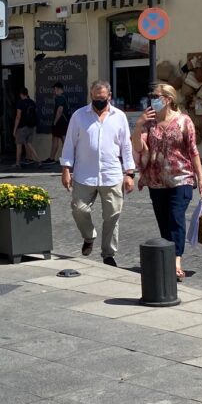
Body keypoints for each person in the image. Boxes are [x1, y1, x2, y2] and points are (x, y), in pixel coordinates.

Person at [133, 83, 202, 281]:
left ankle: (176, 262)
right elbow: (138, 147)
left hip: (181, 178)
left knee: (176, 218)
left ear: (168, 99)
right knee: (164, 222)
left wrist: (201, 179)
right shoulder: (149, 123)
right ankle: (167, 257)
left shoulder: (184, 121)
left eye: (155, 95)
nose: (152, 99)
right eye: (151, 95)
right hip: (156, 181)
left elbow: (193, 151)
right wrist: (139, 125)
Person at [60, 80, 135, 267]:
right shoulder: (79, 116)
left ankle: (108, 254)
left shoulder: (119, 117)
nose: (98, 101)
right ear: (90, 96)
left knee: (112, 216)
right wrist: (66, 169)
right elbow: (69, 144)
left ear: (109, 96)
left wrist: (130, 173)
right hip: (84, 174)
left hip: (111, 174)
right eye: (94, 98)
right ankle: (89, 235)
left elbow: (126, 146)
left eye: (101, 98)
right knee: (79, 208)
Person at [13, 87, 41, 168]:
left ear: (21, 94)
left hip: (22, 127)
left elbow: (18, 117)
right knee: (29, 143)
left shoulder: (20, 103)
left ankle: (17, 163)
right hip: (31, 126)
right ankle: (38, 160)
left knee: (19, 145)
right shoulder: (32, 102)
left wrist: (14, 129)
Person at [44, 82, 71, 164]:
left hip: (60, 122)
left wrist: (55, 122)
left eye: (55, 89)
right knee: (61, 140)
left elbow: (60, 110)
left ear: (59, 89)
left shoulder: (60, 98)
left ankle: (55, 158)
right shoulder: (65, 97)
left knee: (59, 139)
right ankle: (62, 158)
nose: (54, 91)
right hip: (64, 122)